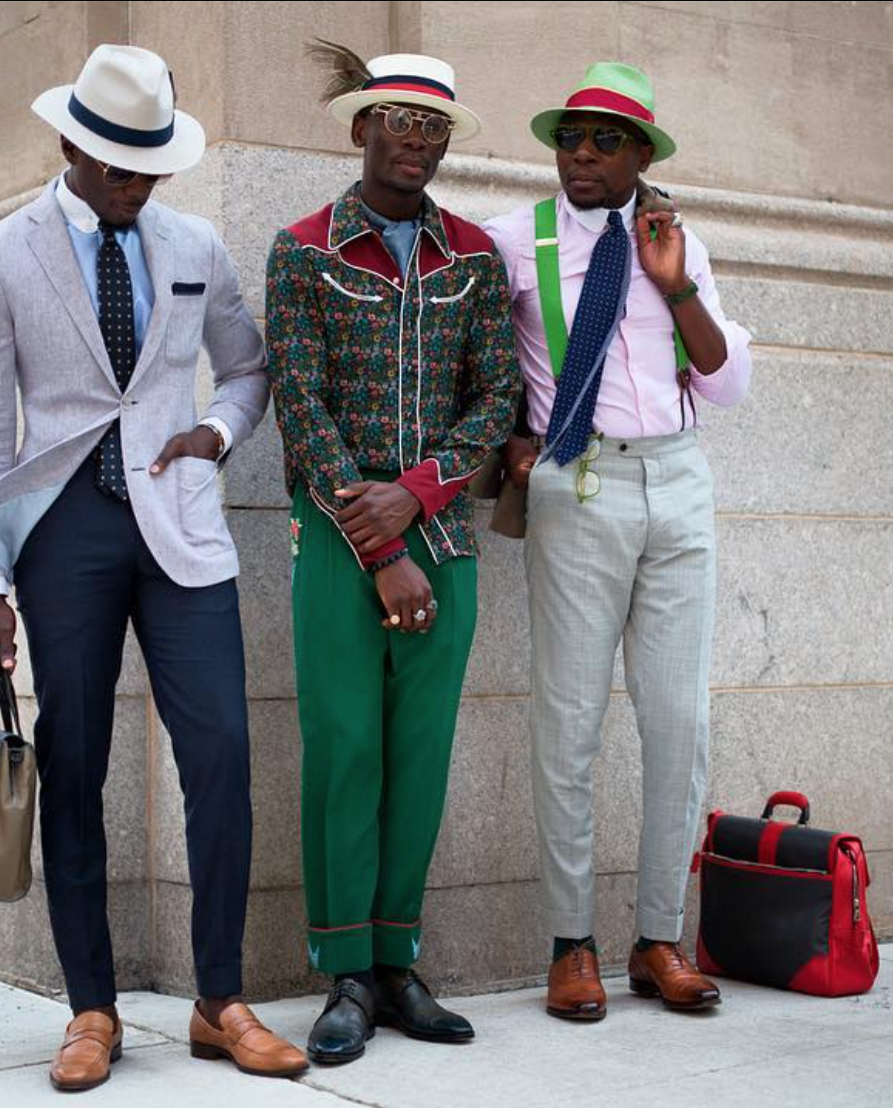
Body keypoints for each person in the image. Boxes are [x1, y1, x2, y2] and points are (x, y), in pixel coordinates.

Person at [0, 44, 306, 1091]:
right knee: (74, 761)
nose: (134, 184)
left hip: (181, 529)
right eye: (115, 166)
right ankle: (90, 1007)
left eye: (148, 166)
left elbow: (245, 365)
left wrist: (217, 431)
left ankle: (219, 999)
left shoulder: (193, 241)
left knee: (224, 752)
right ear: (68, 143)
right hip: (62, 532)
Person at [482, 61, 753, 1022]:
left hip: (679, 478)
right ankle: (571, 945)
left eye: (603, 141)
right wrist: (512, 435)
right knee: (570, 724)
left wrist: (675, 285)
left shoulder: (676, 241)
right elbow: (477, 352)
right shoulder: (518, 240)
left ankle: (656, 940)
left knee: (679, 723)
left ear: (642, 155)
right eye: (568, 138)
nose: (581, 155)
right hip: (579, 480)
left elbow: (724, 382)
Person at [265, 44, 519, 1065]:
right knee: (343, 751)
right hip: (335, 539)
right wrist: (375, 537)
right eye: (398, 121)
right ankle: (343, 975)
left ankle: (399, 958)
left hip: (445, 537)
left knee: (417, 757)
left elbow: (495, 397)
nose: (416, 140)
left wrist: (416, 496)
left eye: (434, 126)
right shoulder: (301, 251)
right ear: (358, 126)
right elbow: (300, 403)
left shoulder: (471, 257)